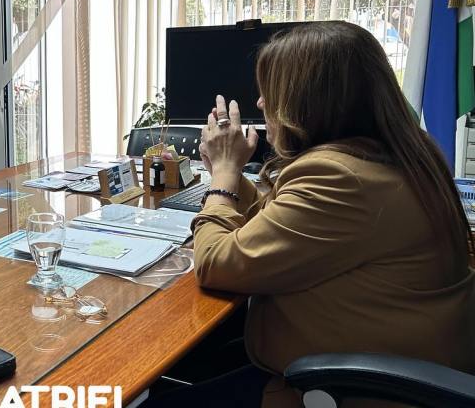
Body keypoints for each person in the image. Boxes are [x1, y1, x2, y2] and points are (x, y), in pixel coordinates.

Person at [150, 21, 475, 407]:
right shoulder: (395, 154)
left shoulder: (340, 177)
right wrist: (232, 171)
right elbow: (285, 222)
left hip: (349, 389)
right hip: (399, 355)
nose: (260, 103)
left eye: (271, 91)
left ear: (307, 101)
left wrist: (222, 177)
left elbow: (218, 263)